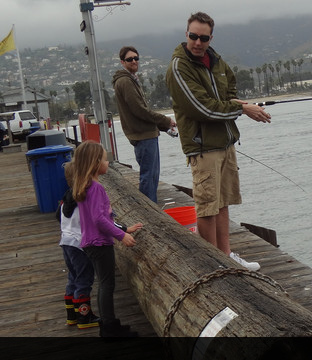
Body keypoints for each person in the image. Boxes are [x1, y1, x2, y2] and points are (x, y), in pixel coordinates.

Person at [166, 11, 271, 271]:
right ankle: (214, 265)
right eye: (193, 36)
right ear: (186, 34)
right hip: (203, 148)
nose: (198, 42)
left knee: (222, 203)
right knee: (207, 207)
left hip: (225, 144)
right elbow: (202, 108)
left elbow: (230, 91)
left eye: (203, 38)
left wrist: (238, 103)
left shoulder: (218, 62)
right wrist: (243, 109)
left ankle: (226, 256)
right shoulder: (179, 67)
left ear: (211, 38)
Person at [70, 140, 142, 337]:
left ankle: (110, 324)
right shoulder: (96, 188)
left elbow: (103, 217)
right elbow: (99, 219)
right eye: (104, 159)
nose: (107, 162)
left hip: (90, 242)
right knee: (107, 285)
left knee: (104, 283)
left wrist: (126, 228)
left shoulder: (85, 186)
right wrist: (122, 235)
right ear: (95, 163)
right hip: (99, 243)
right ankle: (109, 328)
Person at [112, 46, 176, 203]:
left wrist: (163, 127)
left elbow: (142, 111)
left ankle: (151, 208)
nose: (134, 61)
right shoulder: (125, 81)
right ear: (122, 62)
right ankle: (150, 212)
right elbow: (139, 110)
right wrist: (166, 121)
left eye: (136, 58)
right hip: (143, 136)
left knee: (152, 175)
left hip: (147, 134)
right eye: (129, 59)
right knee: (149, 176)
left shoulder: (130, 80)